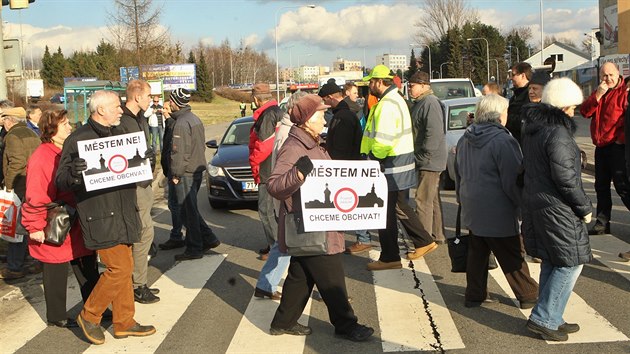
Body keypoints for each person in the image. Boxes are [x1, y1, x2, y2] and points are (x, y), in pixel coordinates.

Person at [267, 94, 374, 342]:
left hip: (317, 221)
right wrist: (299, 174)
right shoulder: (294, 148)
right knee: (331, 275)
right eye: (319, 114)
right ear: (306, 120)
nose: (324, 118)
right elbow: (274, 185)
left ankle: (282, 322)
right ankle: (346, 324)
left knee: (300, 275)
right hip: (309, 224)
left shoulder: (312, 143)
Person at [56, 90, 156, 345]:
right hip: (99, 216)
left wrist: (148, 163)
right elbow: (61, 180)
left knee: (126, 267)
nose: (121, 110)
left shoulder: (122, 135)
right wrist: (75, 174)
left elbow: (141, 176)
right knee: (119, 267)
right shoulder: (78, 139)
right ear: (100, 110)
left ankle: (124, 322)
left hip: (125, 212)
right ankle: (89, 315)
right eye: (116, 106)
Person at [521, 78, 592, 342]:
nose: (574, 112)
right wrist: (584, 207)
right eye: (572, 107)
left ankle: (554, 315)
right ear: (562, 106)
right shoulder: (558, 133)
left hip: (539, 204)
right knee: (571, 263)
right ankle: (544, 317)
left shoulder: (536, 128)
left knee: (554, 260)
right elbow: (566, 178)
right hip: (557, 208)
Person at [455, 94, 539, 309]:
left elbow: (459, 173)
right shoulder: (503, 140)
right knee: (511, 252)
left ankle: (474, 295)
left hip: (472, 204)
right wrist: (522, 207)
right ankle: (528, 293)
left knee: (478, 251)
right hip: (497, 207)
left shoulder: (465, 138)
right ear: (500, 114)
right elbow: (512, 180)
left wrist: (461, 199)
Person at [22, 109, 101, 328]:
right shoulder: (41, 156)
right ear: (50, 130)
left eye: (68, 123)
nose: (69, 127)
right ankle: (57, 315)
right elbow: (35, 195)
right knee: (54, 270)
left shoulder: (67, 150)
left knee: (87, 265)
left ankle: (95, 307)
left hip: (76, 219)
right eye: (64, 124)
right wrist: (34, 226)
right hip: (54, 220)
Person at [360, 65, 437, 271]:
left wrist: (374, 157)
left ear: (379, 81)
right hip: (397, 163)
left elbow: (384, 140)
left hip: (390, 165)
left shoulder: (387, 104)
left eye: (371, 81)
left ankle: (390, 256)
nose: (369, 85)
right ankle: (421, 241)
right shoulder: (395, 100)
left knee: (385, 211)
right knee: (397, 206)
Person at [254, 91, 308, 301]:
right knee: (306, 246)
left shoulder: (288, 129)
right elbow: (287, 170)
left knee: (285, 244)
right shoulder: (289, 134)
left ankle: (266, 285)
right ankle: (328, 288)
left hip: (290, 198)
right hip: (292, 198)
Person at [114, 80, 159, 304]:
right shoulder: (122, 121)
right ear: (138, 96)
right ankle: (137, 285)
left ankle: (139, 281)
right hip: (133, 187)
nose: (151, 99)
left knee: (144, 233)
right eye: (149, 95)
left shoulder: (139, 118)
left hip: (143, 183)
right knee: (144, 234)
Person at [168, 88, 221, 261]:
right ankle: (208, 238)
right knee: (191, 209)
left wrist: (175, 173)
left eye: (170, 100)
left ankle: (194, 248)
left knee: (187, 212)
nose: (168, 103)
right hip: (196, 169)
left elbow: (179, 152)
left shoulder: (181, 124)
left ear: (175, 102)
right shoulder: (194, 119)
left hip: (186, 173)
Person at [579, 62, 630, 235]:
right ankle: (602, 223)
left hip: (617, 147)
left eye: (610, 75)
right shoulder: (600, 91)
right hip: (600, 147)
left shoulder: (624, 93)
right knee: (601, 186)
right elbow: (585, 112)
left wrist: (620, 141)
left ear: (618, 75)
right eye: (604, 75)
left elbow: (626, 121)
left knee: (623, 187)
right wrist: (598, 95)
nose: (607, 79)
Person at [318, 80, 367, 254]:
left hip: (345, 169)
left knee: (348, 205)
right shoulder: (344, 114)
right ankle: (360, 238)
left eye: (324, 100)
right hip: (348, 167)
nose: (323, 104)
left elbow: (342, 147)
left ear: (331, 97)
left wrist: (334, 166)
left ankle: (362, 239)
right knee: (349, 204)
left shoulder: (343, 117)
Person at [0, 107, 41, 280]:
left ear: (10, 121)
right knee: (26, 225)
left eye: (3, 119)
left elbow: (16, 163)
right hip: (32, 185)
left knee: (15, 228)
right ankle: (31, 261)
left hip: (19, 187)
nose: (3, 123)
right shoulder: (32, 134)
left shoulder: (13, 136)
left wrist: (8, 185)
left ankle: (15, 267)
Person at [408, 71, 447, 245]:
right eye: (409, 85)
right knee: (432, 200)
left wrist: (424, 155)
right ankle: (437, 235)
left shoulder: (429, 103)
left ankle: (423, 240)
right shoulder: (421, 102)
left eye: (413, 85)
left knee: (423, 200)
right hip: (429, 158)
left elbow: (434, 132)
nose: (410, 88)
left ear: (424, 85)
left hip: (429, 160)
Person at [248, 83, 284, 262]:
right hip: (276, 168)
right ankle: (275, 244)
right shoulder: (277, 111)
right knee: (273, 210)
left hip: (267, 170)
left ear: (256, 99)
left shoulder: (267, 115)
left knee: (266, 210)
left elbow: (263, 146)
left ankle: (276, 247)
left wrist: (253, 164)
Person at [158, 101, 185, 251]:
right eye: (163, 108)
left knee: (176, 204)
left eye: (167, 108)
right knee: (175, 204)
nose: (164, 111)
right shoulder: (169, 124)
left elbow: (174, 151)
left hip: (174, 171)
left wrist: (174, 172)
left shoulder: (174, 125)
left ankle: (178, 236)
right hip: (169, 170)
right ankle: (192, 234)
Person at [507, 62, 532, 145]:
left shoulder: (530, 95)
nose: (511, 78)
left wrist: (506, 119)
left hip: (525, 144)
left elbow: (525, 121)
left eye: (513, 75)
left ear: (523, 75)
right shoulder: (515, 96)